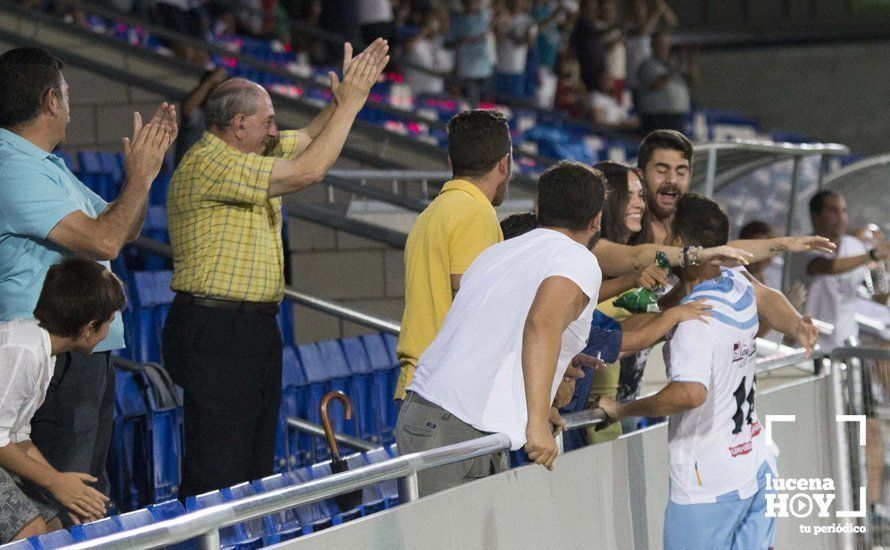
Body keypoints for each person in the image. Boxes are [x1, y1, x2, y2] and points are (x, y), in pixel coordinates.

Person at [162, 39, 390, 497]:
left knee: (254, 468)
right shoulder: (209, 162)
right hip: (216, 330)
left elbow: (308, 139)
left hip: (252, 330)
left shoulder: (252, 150)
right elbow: (308, 170)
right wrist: (356, 102)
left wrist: (342, 98)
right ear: (239, 124)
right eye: (267, 122)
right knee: (218, 469)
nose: (274, 131)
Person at [0, 47, 176, 500]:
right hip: (50, 355)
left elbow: (120, 227)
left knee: (89, 491)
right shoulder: (12, 168)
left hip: (85, 347)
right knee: (61, 495)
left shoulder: (45, 165)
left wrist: (145, 176)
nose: (70, 105)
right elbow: (104, 241)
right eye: (67, 94)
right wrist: (137, 179)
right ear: (50, 102)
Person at [596, 194, 819, 550]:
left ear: (682, 245)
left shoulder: (693, 322)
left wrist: (623, 409)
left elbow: (689, 394)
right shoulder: (735, 279)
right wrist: (795, 324)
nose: (664, 246)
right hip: (756, 461)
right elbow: (767, 296)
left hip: (708, 482)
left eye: (668, 238)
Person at [397, 161, 605, 496]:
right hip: (459, 427)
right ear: (596, 220)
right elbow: (541, 325)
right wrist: (536, 421)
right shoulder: (577, 259)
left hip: (436, 416)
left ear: (539, 209)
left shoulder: (499, 253)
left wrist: (533, 400)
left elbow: (498, 335)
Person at [0, 258, 126, 542]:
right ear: (89, 328)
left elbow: (18, 437)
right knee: (30, 532)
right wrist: (55, 482)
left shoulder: (43, 352)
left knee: (55, 526)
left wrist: (66, 488)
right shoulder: (24, 349)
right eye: (109, 323)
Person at [394, 109, 512, 401]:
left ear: (451, 162)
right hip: (450, 394)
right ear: (505, 164)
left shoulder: (432, 213)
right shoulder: (475, 211)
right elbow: (473, 303)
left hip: (426, 387)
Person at [788, 190, 890, 351]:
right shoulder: (804, 247)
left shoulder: (855, 247)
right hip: (810, 345)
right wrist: (872, 255)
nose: (841, 218)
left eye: (844, 211)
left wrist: (882, 264)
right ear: (815, 216)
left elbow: (879, 294)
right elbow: (829, 267)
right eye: (833, 211)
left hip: (845, 343)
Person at [636, 30, 696, 135]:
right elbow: (655, 85)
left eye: (666, 44)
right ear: (652, 45)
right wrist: (678, 68)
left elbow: (694, 84)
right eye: (660, 44)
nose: (664, 48)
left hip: (677, 116)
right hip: (658, 118)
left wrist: (691, 63)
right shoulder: (647, 65)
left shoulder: (672, 65)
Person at [624, 0, 677, 107]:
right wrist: (657, 11)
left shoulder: (652, 27)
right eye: (635, 6)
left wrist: (662, 6)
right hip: (635, 80)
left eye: (641, 6)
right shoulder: (627, 27)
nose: (639, 10)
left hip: (653, 77)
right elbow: (643, 31)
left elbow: (672, 23)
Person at [445, 0, 494, 106]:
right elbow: (447, 43)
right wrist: (461, 41)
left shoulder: (483, 17)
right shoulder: (457, 20)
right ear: (463, 4)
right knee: (470, 106)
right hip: (466, 71)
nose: (472, 4)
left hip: (484, 70)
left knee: (486, 105)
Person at [175, 67, 228, 165]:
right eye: (212, 90)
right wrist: (209, 82)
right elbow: (188, 109)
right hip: (187, 171)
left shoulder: (224, 120)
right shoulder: (199, 115)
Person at [493, 0, 537, 99]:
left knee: (513, 104)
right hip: (499, 68)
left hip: (516, 70)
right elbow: (496, 38)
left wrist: (525, 36)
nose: (516, 3)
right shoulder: (502, 18)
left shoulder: (528, 21)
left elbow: (530, 44)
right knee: (494, 105)